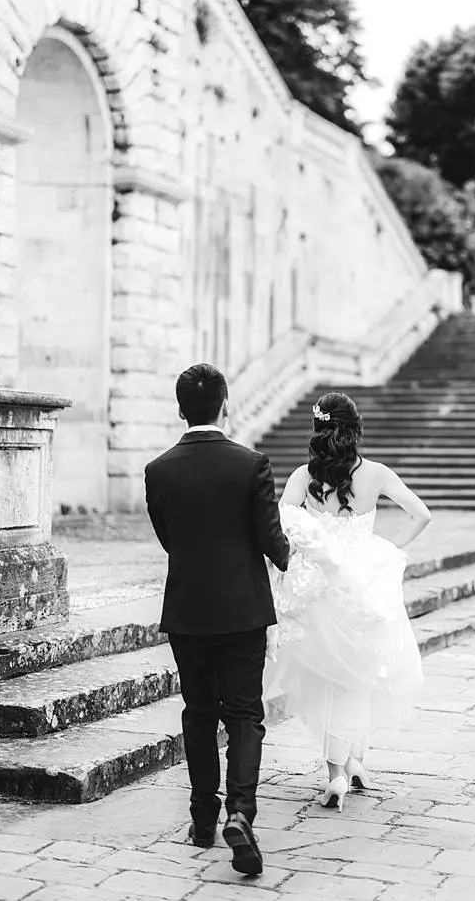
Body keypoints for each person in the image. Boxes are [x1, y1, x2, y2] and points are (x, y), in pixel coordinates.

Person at [145, 363, 290, 878]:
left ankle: (203, 819)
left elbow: (169, 538)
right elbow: (272, 541)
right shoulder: (251, 464)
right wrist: (301, 561)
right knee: (245, 715)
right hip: (243, 611)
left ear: (181, 409)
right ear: (225, 405)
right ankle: (241, 814)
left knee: (198, 713)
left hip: (186, 610)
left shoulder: (157, 470)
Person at [265, 391, 433, 809]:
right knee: (359, 673)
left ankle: (337, 772)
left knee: (331, 676)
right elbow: (422, 514)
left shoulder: (303, 477)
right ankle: (354, 761)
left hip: (320, 587)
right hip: (365, 584)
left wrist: (299, 558)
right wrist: (390, 550)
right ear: (355, 430)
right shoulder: (376, 473)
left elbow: (281, 525)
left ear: (318, 429)